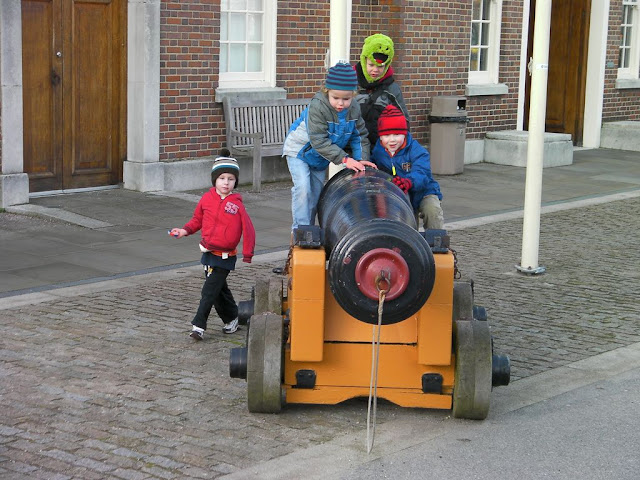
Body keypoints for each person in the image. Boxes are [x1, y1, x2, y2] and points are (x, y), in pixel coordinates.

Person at [169, 150, 255, 340]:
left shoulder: (237, 205)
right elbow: (196, 220)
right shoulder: (206, 199)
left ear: (235, 182)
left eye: (230, 179)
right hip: (208, 253)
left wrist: (247, 254)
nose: (226, 182)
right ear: (214, 180)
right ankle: (233, 318)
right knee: (218, 291)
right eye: (222, 178)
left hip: (225, 257)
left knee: (209, 291)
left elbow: (248, 229)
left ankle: (198, 325)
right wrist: (184, 231)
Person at [283, 61, 376, 230]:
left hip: (320, 157)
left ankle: (309, 231)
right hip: (299, 151)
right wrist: (345, 159)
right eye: (336, 98)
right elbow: (318, 140)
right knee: (303, 188)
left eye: (346, 99)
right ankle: (301, 230)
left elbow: (359, 136)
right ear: (327, 92)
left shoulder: (354, 109)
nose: (340, 104)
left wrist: (361, 159)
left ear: (353, 95)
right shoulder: (318, 107)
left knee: (316, 195)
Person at [371, 105, 444, 230]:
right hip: (399, 194)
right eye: (387, 135)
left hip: (423, 191)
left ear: (405, 134)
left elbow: (422, 172)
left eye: (397, 134)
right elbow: (376, 171)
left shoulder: (416, 150)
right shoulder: (378, 152)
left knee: (432, 211)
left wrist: (409, 181)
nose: (392, 140)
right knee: (406, 222)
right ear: (380, 136)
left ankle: (436, 243)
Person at [355, 33, 410, 147]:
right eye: (371, 65)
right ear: (364, 61)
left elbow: (404, 120)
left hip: (382, 147)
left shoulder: (392, 89)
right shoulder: (351, 83)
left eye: (380, 67)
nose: (375, 70)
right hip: (354, 145)